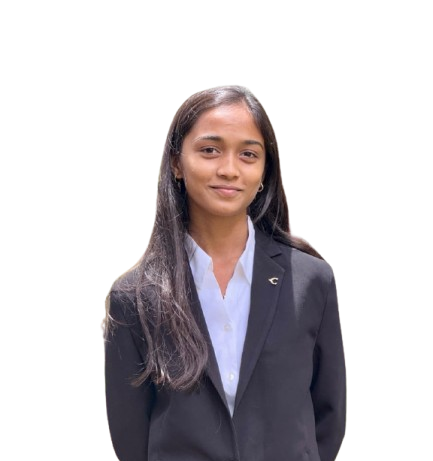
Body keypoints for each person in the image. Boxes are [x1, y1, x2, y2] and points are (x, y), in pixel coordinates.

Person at [102, 84, 346, 461]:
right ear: (177, 163)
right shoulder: (134, 296)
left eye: (248, 154)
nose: (229, 170)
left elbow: (329, 416)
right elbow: (130, 436)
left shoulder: (311, 281)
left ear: (264, 172)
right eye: (209, 150)